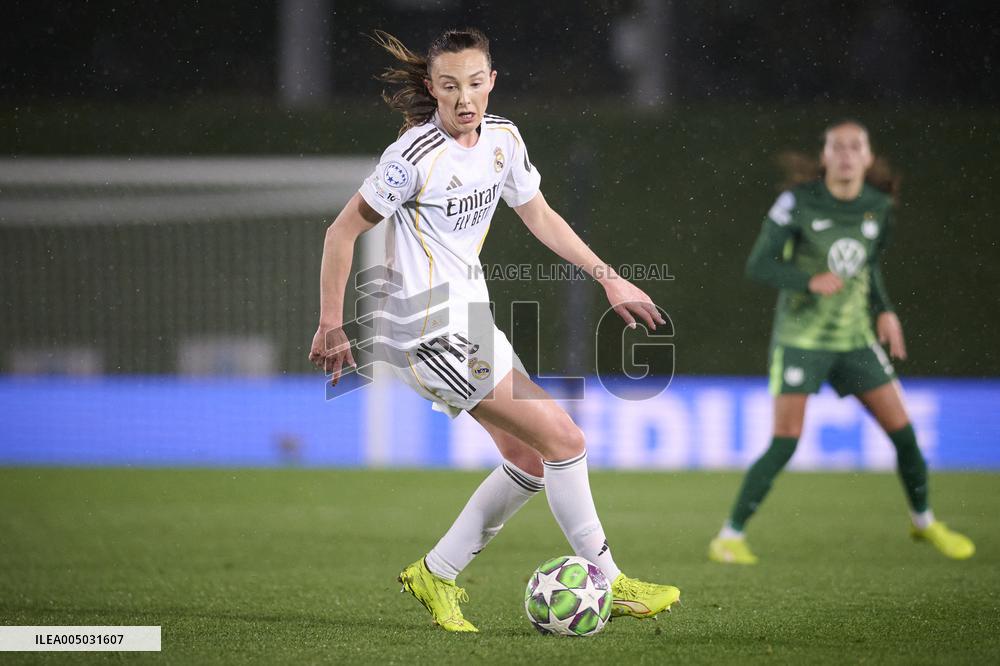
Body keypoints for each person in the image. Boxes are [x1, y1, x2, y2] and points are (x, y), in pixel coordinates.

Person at [309, 28, 680, 632]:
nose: (465, 99)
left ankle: (437, 572)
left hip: (472, 324)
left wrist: (610, 278)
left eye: (476, 84)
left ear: (492, 82)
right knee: (565, 439)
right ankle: (614, 584)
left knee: (531, 459)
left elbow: (539, 214)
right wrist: (331, 322)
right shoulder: (413, 158)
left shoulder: (503, 140)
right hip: (428, 334)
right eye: (450, 86)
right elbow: (340, 232)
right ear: (431, 88)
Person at [708, 120, 975, 564]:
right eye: (838, 147)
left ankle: (924, 522)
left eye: (856, 147)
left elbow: (868, 267)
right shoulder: (797, 202)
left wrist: (885, 310)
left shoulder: (879, 206)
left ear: (868, 158)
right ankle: (729, 536)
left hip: (854, 339)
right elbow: (759, 265)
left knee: (905, 436)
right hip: (801, 341)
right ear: (825, 156)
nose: (847, 154)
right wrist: (807, 280)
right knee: (786, 441)